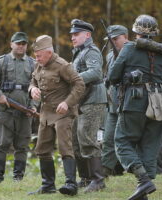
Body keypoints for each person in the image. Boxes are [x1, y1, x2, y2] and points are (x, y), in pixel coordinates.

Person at [108, 15, 162, 200]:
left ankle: (143, 181)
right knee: (150, 145)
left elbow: (112, 76)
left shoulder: (129, 48)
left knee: (121, 141)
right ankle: (144, 189)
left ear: (135, 32)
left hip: (134, 101)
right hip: (158, 102)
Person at [28, 35, 85, 196]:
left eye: (38, 55)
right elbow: (32, 81)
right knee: (42, 149)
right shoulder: (39, 65)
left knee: (65, 147)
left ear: (48, 52)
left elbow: (79, 84)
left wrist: (67, 102)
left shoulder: (62, 65)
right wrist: (32, 89)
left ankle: (70, 184)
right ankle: (48, 185)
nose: (36, 58)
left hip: (63, 114)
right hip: (45, 114)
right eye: (36, 55)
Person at [0, 32, 36, 183]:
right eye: (18, 43)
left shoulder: (33, 63)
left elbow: (39, 88)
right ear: (11, 44)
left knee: (22, 146)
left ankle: (18, 178)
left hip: (25, 112)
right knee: (1, 145)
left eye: (23, 44)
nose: (20, 46)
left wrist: (33, 106)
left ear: (26, 46)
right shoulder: (2, 61)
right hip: (4, 111)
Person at [70, 19, 107, 193]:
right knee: (76, 140)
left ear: (87, 35)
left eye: (76, 34)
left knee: (87, 138)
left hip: (93, 98)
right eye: (72, 34)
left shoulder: (91, 51)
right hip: (82, 99)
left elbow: (95, 72)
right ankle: (85, 178)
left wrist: (73, 79)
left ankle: (98, 180)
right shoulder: (78, 52)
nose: (73, 37)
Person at [101, 25, 129, 177]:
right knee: (108, 139)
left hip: (129, 103)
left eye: (116, 39)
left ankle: (140, 171)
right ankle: (103, 174)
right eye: (110, 40)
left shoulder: (132, 53)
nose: (113, 42)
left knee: (127, 141)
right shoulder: (110, 55)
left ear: (126, 36)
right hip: (114, 104)